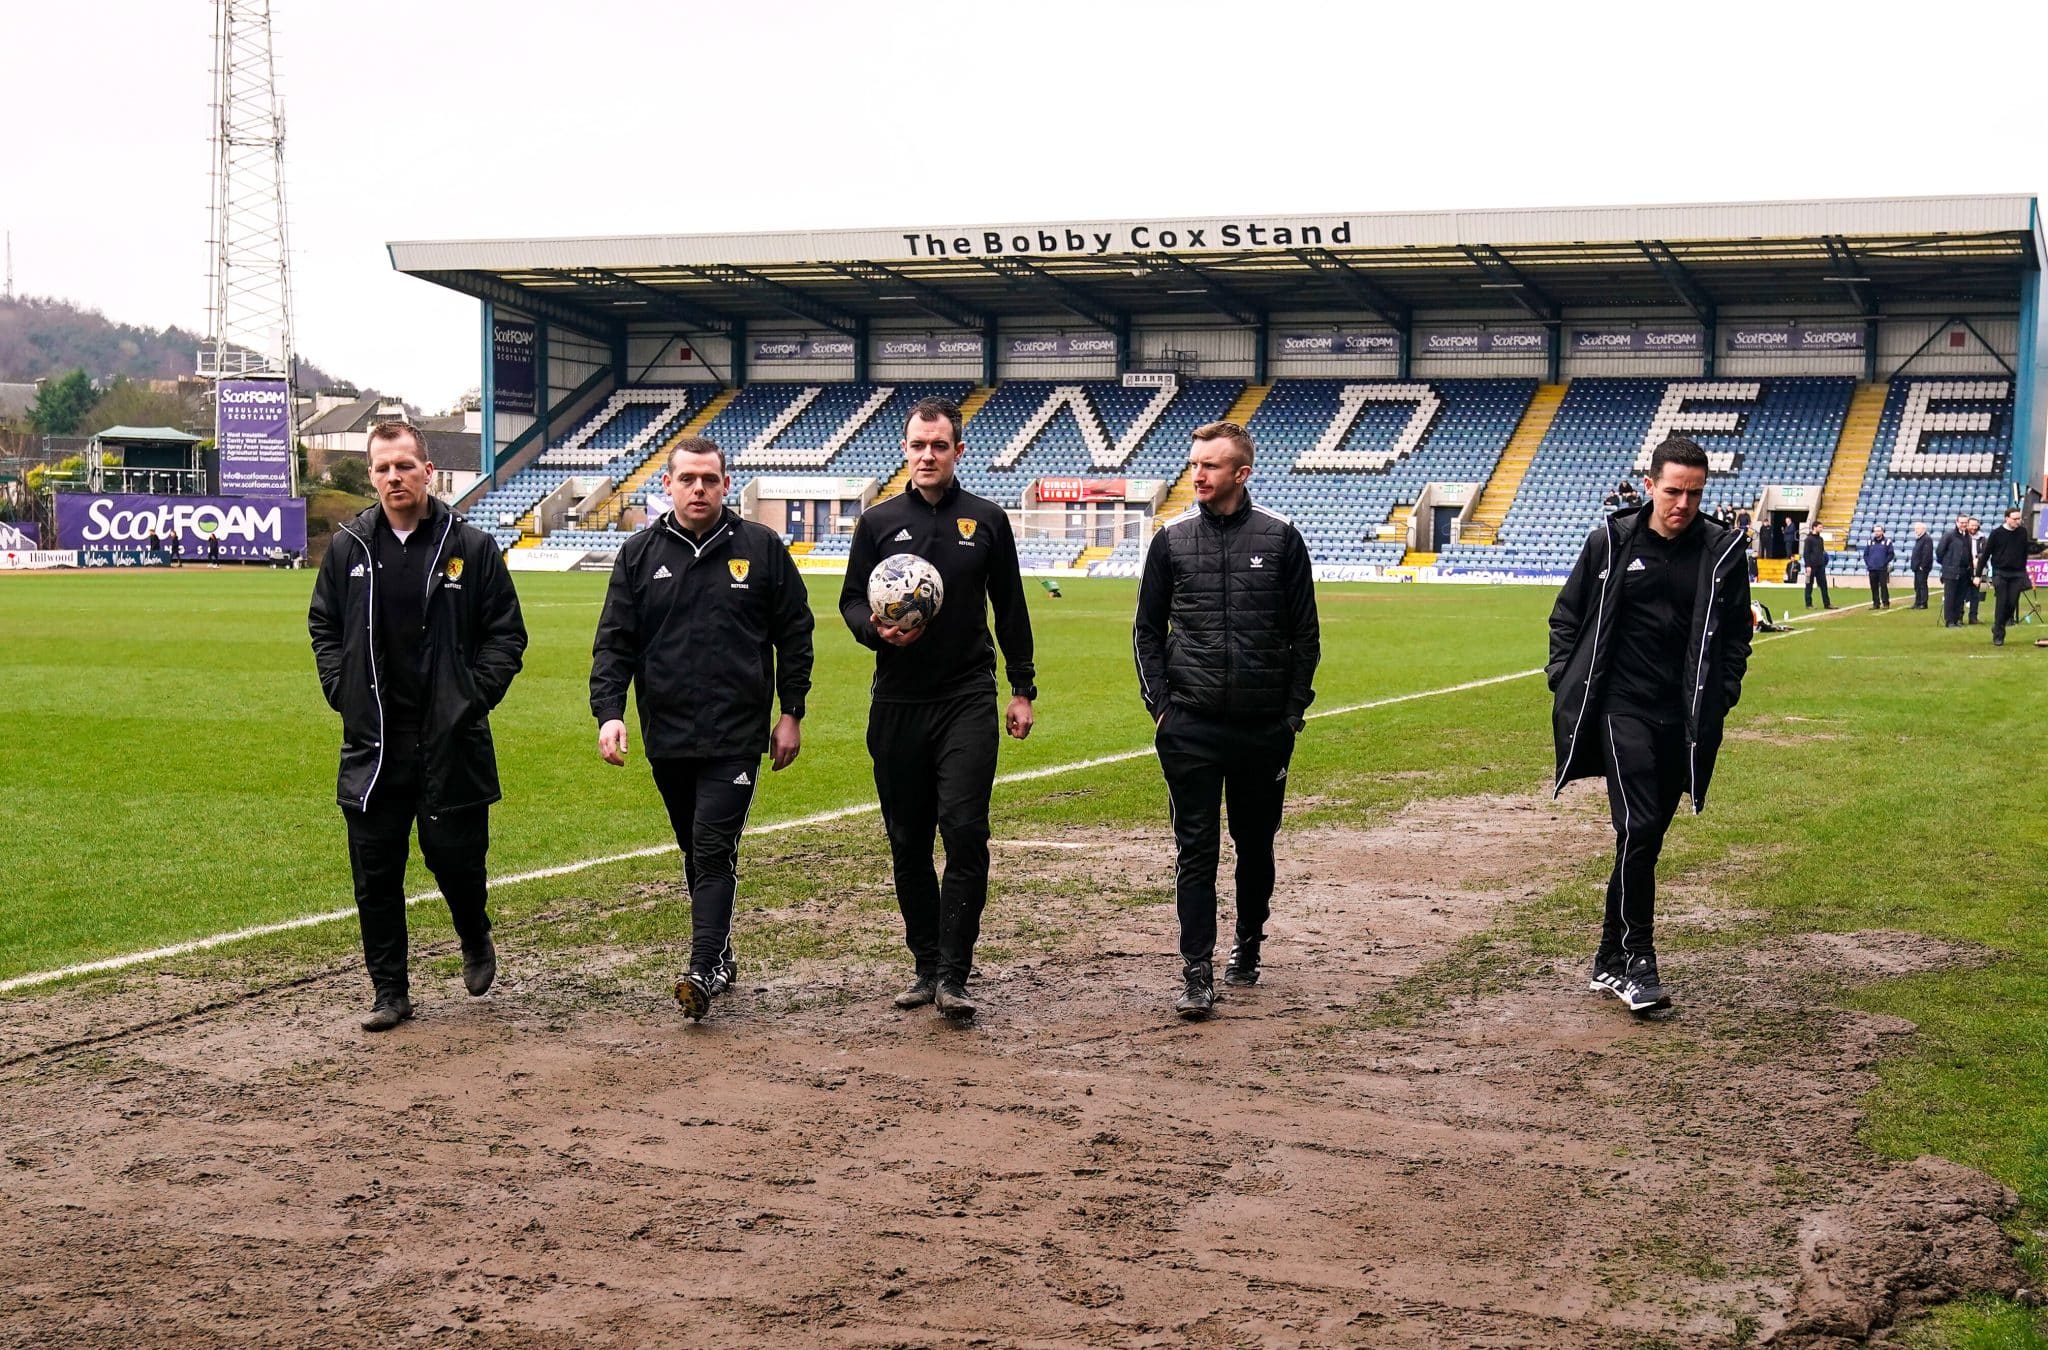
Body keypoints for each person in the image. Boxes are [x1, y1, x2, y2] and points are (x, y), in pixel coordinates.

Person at [308, 421, 528, 1032]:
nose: (393, 477)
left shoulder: (472, 546)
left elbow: (506, 635)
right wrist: (341, 687)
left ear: (428, 471)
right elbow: (323, 625)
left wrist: (472, 697)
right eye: (382, 468)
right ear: (371, 474)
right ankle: (390, 992)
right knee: (374, 876)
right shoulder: (351, 544)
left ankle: (473, 931)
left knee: (456, 861)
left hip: (449, 741)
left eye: (405, 465)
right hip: (374, 743)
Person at [590, 438, 814, 1019]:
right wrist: (609, 713)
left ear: (724, 483)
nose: (698, 489)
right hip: (667, 733)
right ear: (667, 484)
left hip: (735, 735)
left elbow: (795, 632)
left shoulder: (760, 548)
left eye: (709, 479)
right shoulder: (639, 554)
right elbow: (615, 643)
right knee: (696, 849)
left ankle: (703, 965)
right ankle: (721, 950)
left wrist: (791, 711)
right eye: (687, 478)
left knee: (713, 848)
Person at [839, 396, 1036, 1022]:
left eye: (940, 445)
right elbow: (848, 603)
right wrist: (876, 632)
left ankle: (955, 972)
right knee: (906, 839)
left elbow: (1011, 608)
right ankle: (925, 964)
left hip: (966, 697)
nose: (928, 455)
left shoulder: (987, 519)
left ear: (958, 450)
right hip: (897, 700)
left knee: (965, 830)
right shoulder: (877, 523)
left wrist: (1022, 687)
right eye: (918, 445)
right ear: (905, 448)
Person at [1547, 436, 1752, 1013]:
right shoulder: (1611, 543)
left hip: (1683, 717)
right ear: (1649, 486)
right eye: (1672, 491)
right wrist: (1563, 676)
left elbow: (1737, 634)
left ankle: (1607, 958)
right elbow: (1566, 616)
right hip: (1619, 707)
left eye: (1693, 493)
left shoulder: (1722, 551)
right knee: (1637, 824)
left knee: (1644, 837)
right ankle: (1640, 960)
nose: (1682, 504)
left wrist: (1724, 694)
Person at [1134, 420, 1320, 1021]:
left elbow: (1305, 636)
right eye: (1194, 464)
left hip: (1263, 729)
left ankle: (1249, 942)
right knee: (1195, 850)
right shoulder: (1170, 540)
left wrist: (1290, 714)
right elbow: (1147, 631)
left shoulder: (1283, 539)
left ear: (1241, 473)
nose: (1198, 475)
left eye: (1210, 466)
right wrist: (1162, 709)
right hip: (1189, 725)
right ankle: (1196, 971)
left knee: (1255, 846)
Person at [1979, 507, 2045, 647]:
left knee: (2011, 604)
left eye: (2019, 518)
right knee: (2002, 602)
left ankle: (1998, 625)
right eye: (2014, 519)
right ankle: (1999, 636)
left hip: (2017, 573)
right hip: (2000, 573)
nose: (2017, 521)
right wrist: (1978, 575)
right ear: (2006, 518)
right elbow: (1985, 555)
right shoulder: (1997, 533)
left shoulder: (2022, 532)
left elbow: (2025, 550)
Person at [1938, 514, 1974, 627]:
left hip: (1964, 571)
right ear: (1957, 522)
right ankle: (1949, 621)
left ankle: (1957, 619)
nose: (1964, 524)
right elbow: (1940, 552)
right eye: (1961, 522)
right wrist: (1948, 565)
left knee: (1960, 597)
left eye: (1965, 522)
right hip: (1951, 572)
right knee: (1950, 597)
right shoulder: (1949, 535)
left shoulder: (1967, 536)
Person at [1801, 524, 1833, 609]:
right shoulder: (1808, 539)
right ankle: (1808, 604)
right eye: (1820, 527)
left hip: (1820, 566)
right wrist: (1807, 565)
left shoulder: (1820, 539)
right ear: (1814, 528)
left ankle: (1827, 603)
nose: (1821, 529)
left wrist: (1823, 562)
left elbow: (1822, 552)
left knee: (1824, 585)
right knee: (1809, 585)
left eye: (1822, 527)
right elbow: (1806, 553)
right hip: (1810, 567)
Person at [1861, 528, 1894, 610]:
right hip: (1872, 568)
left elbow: (1891, 554)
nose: (1877, 532)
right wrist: (1868, 563)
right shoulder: (1870, 542)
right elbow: (1865, 554)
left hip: (1882, 569)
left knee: (1883, 586)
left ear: (1882, 532)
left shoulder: (1887, 542)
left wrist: (1884, 563)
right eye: (1875, 531)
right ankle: (1876, 603)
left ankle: (1885, 603)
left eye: (1878, 531)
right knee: (1873, 586)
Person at [1964, 518, 1986, 623]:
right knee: (1961, 594)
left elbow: (1986, 552)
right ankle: (1958, 618)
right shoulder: (1962, 537)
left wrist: (1978, 558)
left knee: (1975, 594)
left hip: (1977, 569)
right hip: (1964, 568)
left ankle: (1973, 617)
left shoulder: (1982, 538)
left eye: (1975, 525)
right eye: (1972, 525)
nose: (1974, 527)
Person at [1909, 522, 1934, 610]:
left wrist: (1922, 565)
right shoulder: (1919, 539)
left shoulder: (1927, 539)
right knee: (1917, 585)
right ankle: (1917, 602)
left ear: (1923, 529)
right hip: (1917, 566)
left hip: (1922, 567)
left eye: (1917, 528)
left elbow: (1927, 554)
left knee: (1922, 585)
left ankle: (1923, 603)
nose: (1915, 530)